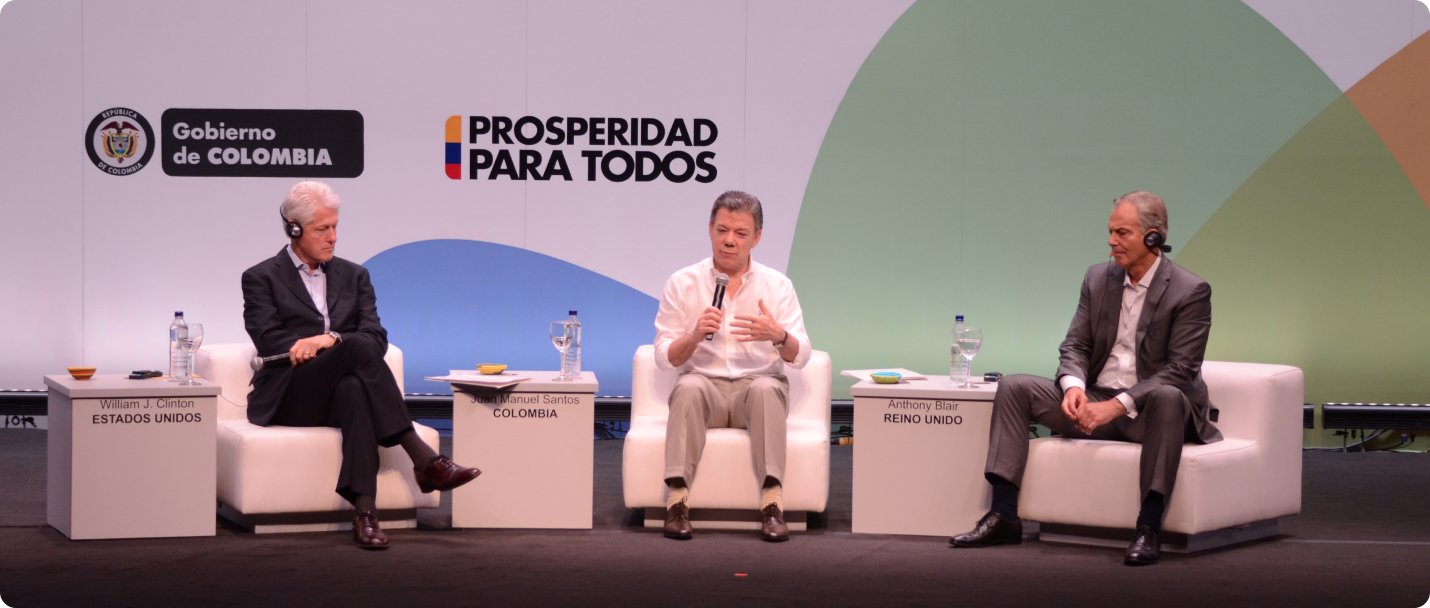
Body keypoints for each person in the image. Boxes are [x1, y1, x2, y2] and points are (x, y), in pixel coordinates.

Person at [949, 190, 1221, 566]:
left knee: (1168, 397)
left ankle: (1148, 527)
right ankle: (1004, 515)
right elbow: (1075, 344)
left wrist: (1116, 406)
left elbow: (1179, 370)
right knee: (1014, 387)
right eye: (1110, 232)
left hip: (1151, 413)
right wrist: (1074, 388)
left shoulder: (1189, 291)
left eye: (1122, 233)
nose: (1111, 242)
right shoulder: (1098, 278)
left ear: (1153, 237)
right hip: (1096, 401)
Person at [241, 181, 481, 550]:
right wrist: (333, 344)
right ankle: (423, 458)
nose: (333, 237)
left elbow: (375, 337)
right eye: (323, 229)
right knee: (352, 348)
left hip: (338, 393)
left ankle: (365, 514)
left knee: (353, 385)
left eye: (335, 226)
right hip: (291, 392)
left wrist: (328, 339)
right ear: (293, 227)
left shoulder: (354, 276)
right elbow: (270, 341)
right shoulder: (261, 277)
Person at [653, 191, 812, 542]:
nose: (729, 240)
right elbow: (664, 357)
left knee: (768, 389)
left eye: (740, 233)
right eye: (722, 229)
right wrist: (693, 336)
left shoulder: (777, 285)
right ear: (710, 229)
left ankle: (772, 505)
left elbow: (801, 356)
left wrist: (778, 334)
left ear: (757, 237)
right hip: (705, 386)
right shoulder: (683, 283)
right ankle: (676, 503)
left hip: (756, 387)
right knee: (689, 387)